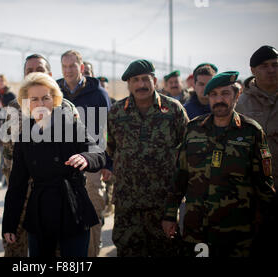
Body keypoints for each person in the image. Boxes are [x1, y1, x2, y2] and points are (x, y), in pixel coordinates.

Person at [163, 71, 276, 257]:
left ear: (236, 95)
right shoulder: (193, 129)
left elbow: (263, 185)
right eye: (214, 95)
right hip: (197, 231)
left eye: (225, 93)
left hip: (237, 233)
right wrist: (169, 215)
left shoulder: (252, 132)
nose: (219, 99)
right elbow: (180, 176)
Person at [2, 72, 105, 257]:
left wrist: (85, 158)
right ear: (26, 103)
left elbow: (98, 153)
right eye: (34, 99)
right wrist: (10, 224)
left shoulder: (72, 126)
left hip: (73, 208)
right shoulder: (24, 137)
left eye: (45, 98)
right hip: (39, 211)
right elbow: (17, 184)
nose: (40, 104)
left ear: (55, 99)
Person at [107, 59, 189, 257]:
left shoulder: (173, 110)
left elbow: (187, 151)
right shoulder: (116, 112)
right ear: (128, 84)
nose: (141, 84)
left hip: (162, 205)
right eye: (135, 80)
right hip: (128, 207)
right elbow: (111, 149)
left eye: (145, 79)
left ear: (154, 80)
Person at [0, 53, 78, 257]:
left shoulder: (65, 108)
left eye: (40, 71)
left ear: (50, 75)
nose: (33, 74)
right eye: (29, 71)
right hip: (20, 194)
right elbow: (7, 154)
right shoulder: (11, 111)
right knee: (14, 248)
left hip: (52, 196)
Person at [57, 50, 112, 257]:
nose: (68, 70)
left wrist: (108, 163)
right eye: (65, 66)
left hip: (91, 162)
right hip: (62, 163)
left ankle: (90, 256)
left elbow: (108, 131)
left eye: (72, 66)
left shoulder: (99, 94)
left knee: (93, 211)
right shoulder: (55, 91)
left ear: (81, 68)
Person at [235, 45, 278, 255]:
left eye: (275, 65)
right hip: (255, 196)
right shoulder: (242, 104)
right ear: (253, 70)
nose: (271, 70)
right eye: (264, 66)